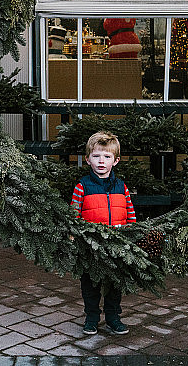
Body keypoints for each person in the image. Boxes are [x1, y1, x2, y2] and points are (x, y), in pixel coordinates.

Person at [71, 131, 136, 336]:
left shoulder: (121, 187)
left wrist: (132, 235)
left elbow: (130, 213)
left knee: (114, 284)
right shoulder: (82, 186)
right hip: (91, 246)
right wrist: (75, 237)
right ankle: (91, 317)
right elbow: (73, 215)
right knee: (90, 284)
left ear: (115, 161)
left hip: (117, 245)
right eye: (97, 156)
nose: (101, 161)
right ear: (88, 158)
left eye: (107, 157)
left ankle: (113, 318)